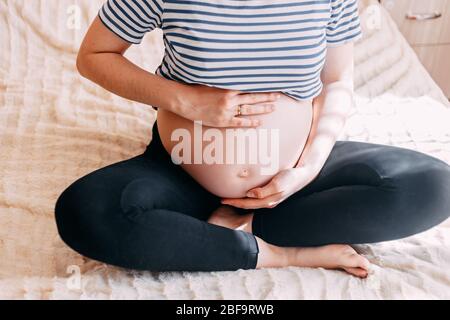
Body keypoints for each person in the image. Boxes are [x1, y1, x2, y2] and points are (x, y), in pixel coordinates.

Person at [55, 0, 450, 278]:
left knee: (434, 185)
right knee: (85, 211)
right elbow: (95, 55)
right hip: (181, 170)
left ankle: (227, 228)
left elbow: (336, 80)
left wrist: (307, 169)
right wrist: (190, 101)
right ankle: (276, 253)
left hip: (293, 177)